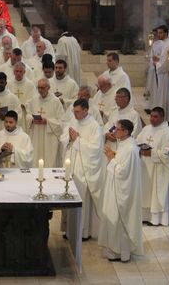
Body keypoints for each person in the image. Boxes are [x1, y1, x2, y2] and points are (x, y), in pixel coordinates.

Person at [60, 99, 105, 240]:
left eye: (78, 112)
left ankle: (82, 232)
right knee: (68, 195)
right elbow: (63, 138)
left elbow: (96, 149)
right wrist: (68, 138)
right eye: (74, 111)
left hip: (83, 167)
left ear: (86, 110)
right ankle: (69, 229)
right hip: (71, 163)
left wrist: (77, 140)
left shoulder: (94, 126)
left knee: (81, 197)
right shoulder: (73, 121)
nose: (75, 114)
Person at [99, 119, 143, 262]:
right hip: (115, 187)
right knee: (112, 216)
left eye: (117, 129)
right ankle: (113, 249)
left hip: (122, 190)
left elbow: (122, 172)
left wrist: (111, 158)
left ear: (126, 132)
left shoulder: (130, 148)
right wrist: (114, 155)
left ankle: (120, 252)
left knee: (118, 218)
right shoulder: (124, 144)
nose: (114, 131)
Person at [136, 107, 169, 226]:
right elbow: (137, 142)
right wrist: (139, 149)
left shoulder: (168, 133)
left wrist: (152, 153)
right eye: (151, 116)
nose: (152, 119)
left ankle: (157, 219)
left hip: (159, 169)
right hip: (145, 167)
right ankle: (145, 216)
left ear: (162, 117)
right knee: (145, 192)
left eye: (155, 117)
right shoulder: (147, 129)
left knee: (156, 193)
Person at [26, 78, 65, 167]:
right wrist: (32, 119)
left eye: (42, 88)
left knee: (49, 161)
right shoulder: (34, 100)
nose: (40, 90)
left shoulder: (55, 101)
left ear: (48, 88)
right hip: (36, 134)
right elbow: (28, 115)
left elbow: (61, 121)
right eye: (38, 88)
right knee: (36, 158)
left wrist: (47, 121)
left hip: (49, 137)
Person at [152, 25, 169, 118]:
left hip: (165, 74)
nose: (158, 34)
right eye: (158, 32)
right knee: (161, 95)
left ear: (165, 33)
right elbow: (164, 58)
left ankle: (165, 116)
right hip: (162, 74)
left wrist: (157, 64)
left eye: (160, 32)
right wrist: (158, 59)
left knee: (164, 96)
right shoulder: (165, 43)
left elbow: (167, 62)